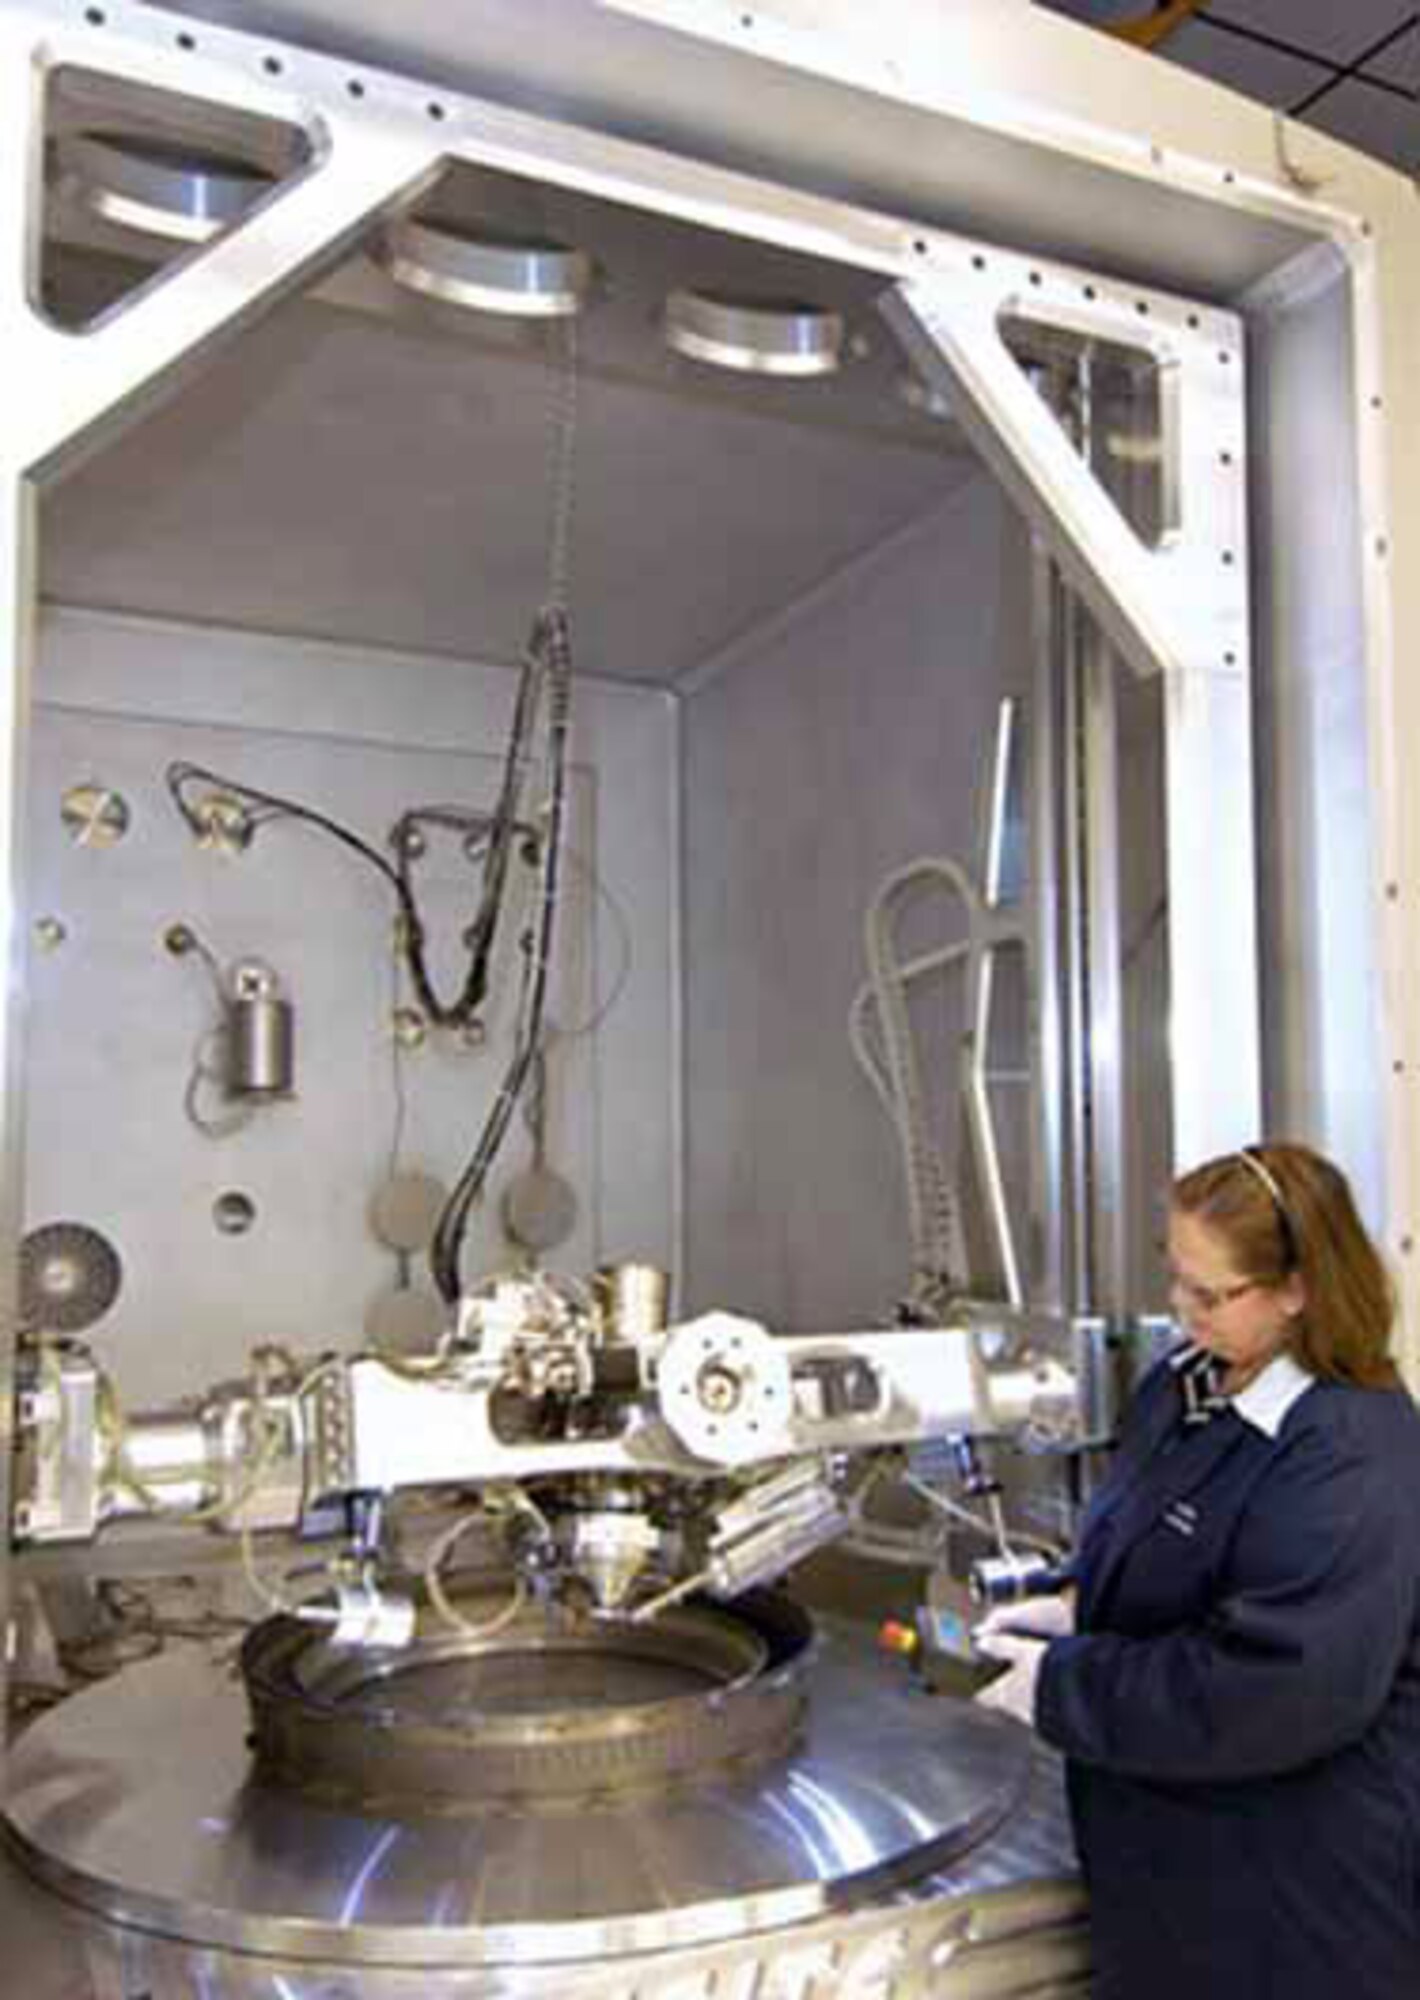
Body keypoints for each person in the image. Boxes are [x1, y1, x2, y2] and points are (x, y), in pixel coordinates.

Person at [974, 1141, 1420, 2000]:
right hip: (1171, 1883)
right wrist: (1078, 1605)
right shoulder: (1184, 1390)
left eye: (1210, 1294)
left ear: (1297, 1290)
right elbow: (1169, 1553)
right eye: (1175, 1277)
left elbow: (1275, 1688)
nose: (1182, 1310)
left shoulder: (1349, 1455)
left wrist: (1061, 1686)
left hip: (1293, 1909)